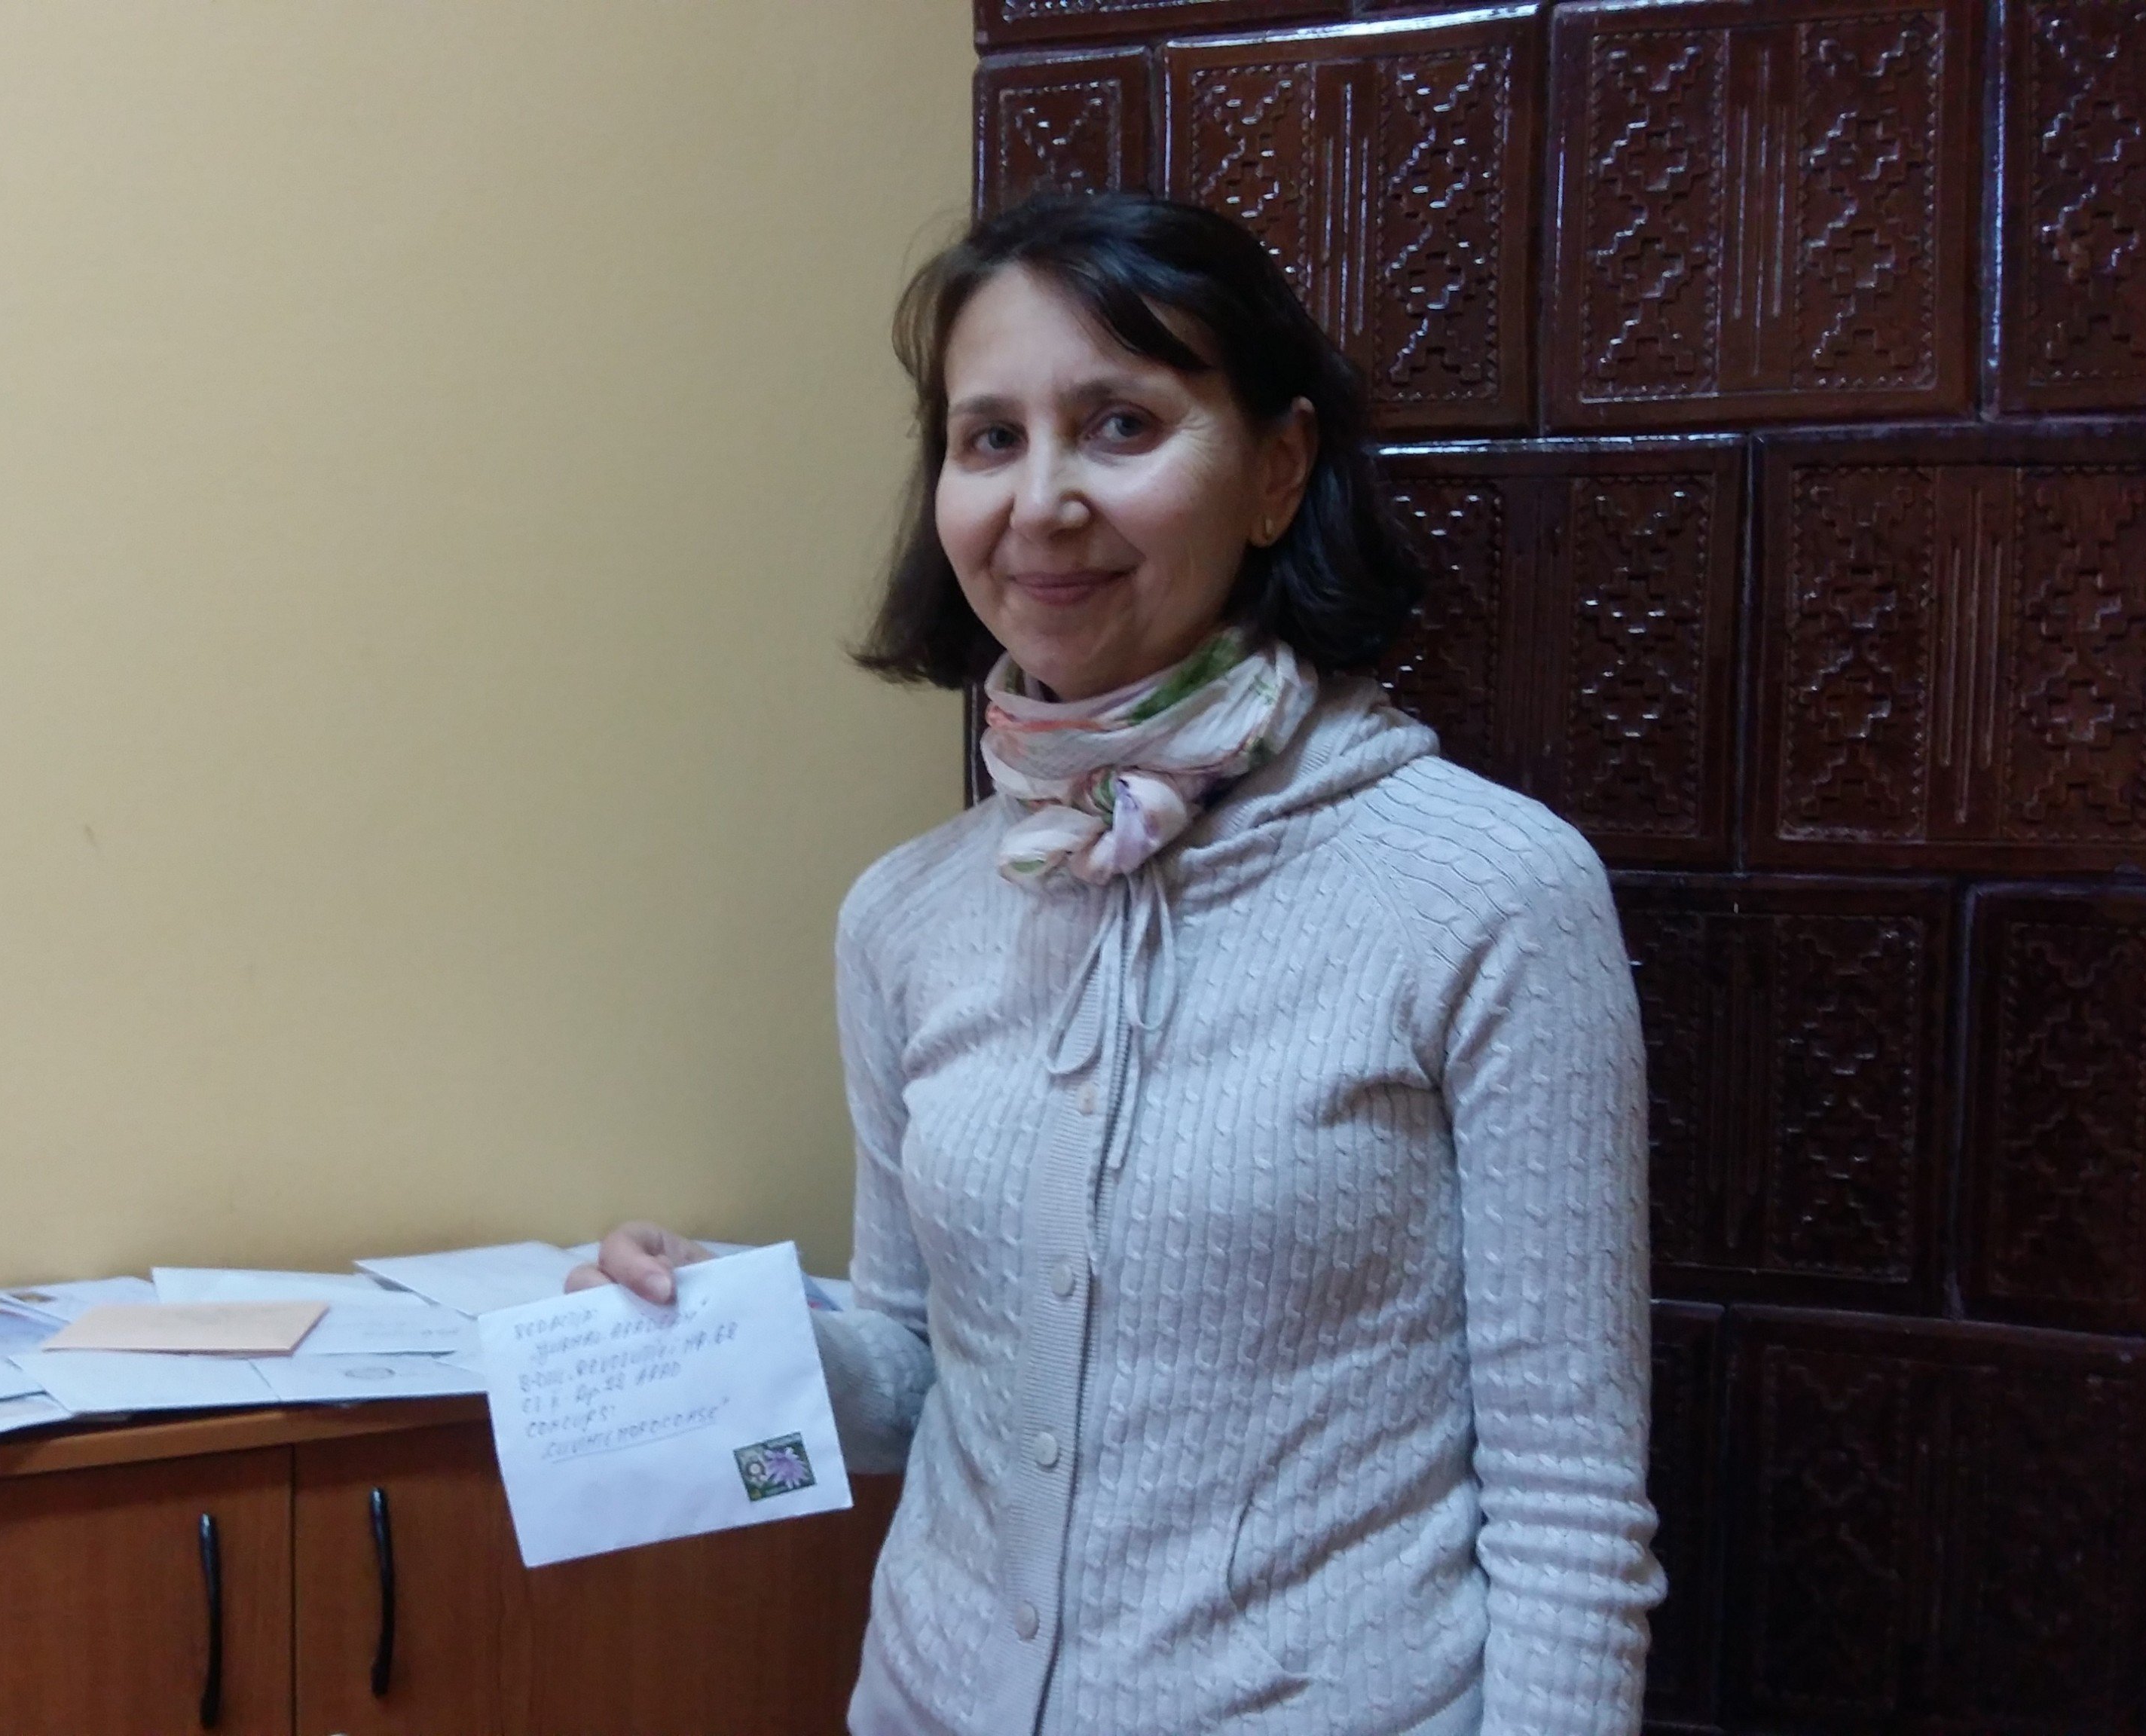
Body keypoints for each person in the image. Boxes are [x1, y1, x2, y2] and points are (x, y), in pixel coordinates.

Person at [570, 194, 1661, 1735]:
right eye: (988, 439)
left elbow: (1570, 1510)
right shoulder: (903, 914)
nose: (1041, 503)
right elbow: (920, 1367)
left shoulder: (1487, 893)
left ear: (1276, 469)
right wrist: (718, 1328)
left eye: (1120, 425)